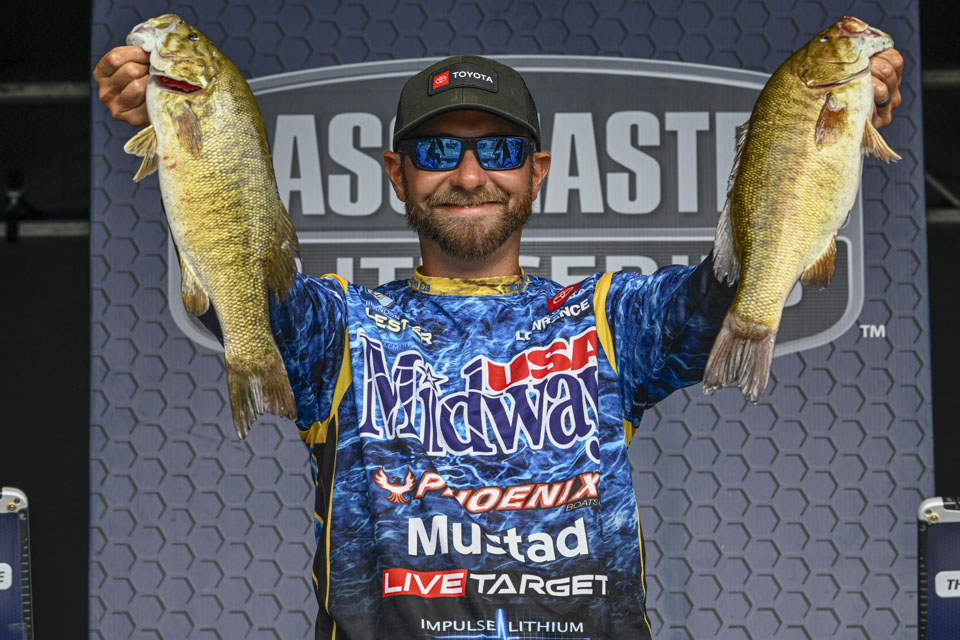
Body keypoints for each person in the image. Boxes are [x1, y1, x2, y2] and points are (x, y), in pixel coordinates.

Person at [95, 41, 903, 640]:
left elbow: (730, 288)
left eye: (501, 150)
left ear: (537, 170)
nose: (471, 173)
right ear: (397, 172)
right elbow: (242, 292)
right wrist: (180, 128)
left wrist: (823, 129)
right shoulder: (338, 328)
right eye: (438, 150)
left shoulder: (609, 320)